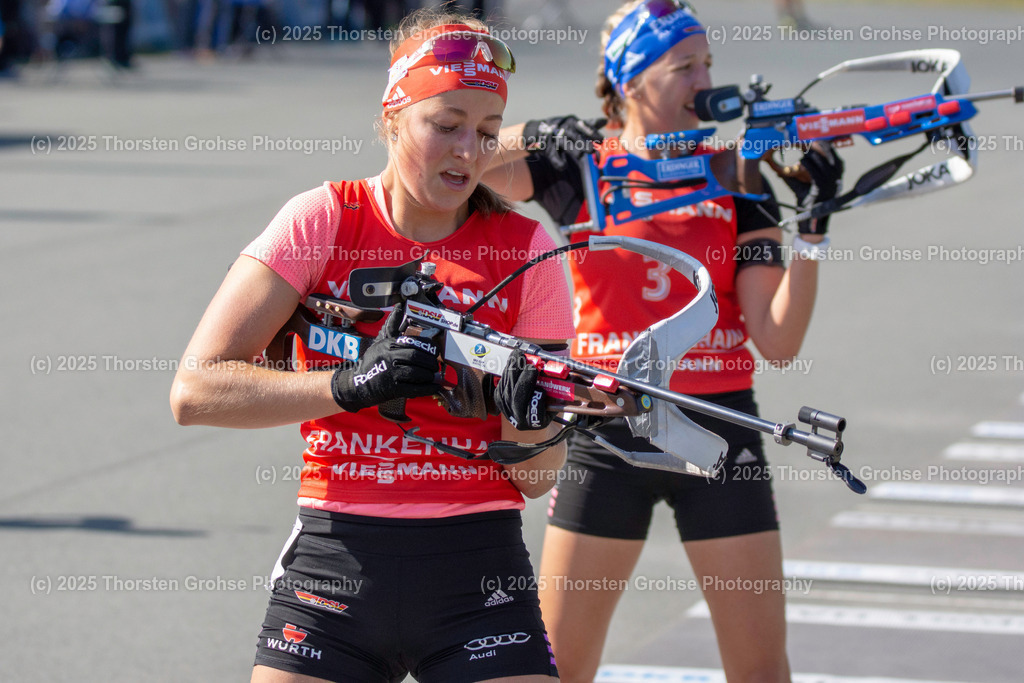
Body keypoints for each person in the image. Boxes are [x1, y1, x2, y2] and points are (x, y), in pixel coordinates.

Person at [170, 8, 575, 682]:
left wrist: (533, 419)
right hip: (334, 565)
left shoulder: (526, 249)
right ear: (393, 116)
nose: (467, 152)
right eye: (445, 126)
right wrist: (349, 384)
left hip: (477, 572)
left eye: (485, 132)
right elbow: (195, 390)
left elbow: (535, 480)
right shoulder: (323, 219)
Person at [481, 1, 843, 681]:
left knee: (761, 669)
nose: (704, 81)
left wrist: (814, 230)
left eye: (708, 62)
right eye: (684, 66)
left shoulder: (737, 172)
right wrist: (535, 133)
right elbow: (458, 162)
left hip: (719, 430)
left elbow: (779, 338)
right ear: (631, 81)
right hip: (606, 432)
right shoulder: (580, 163)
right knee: (558, 668)